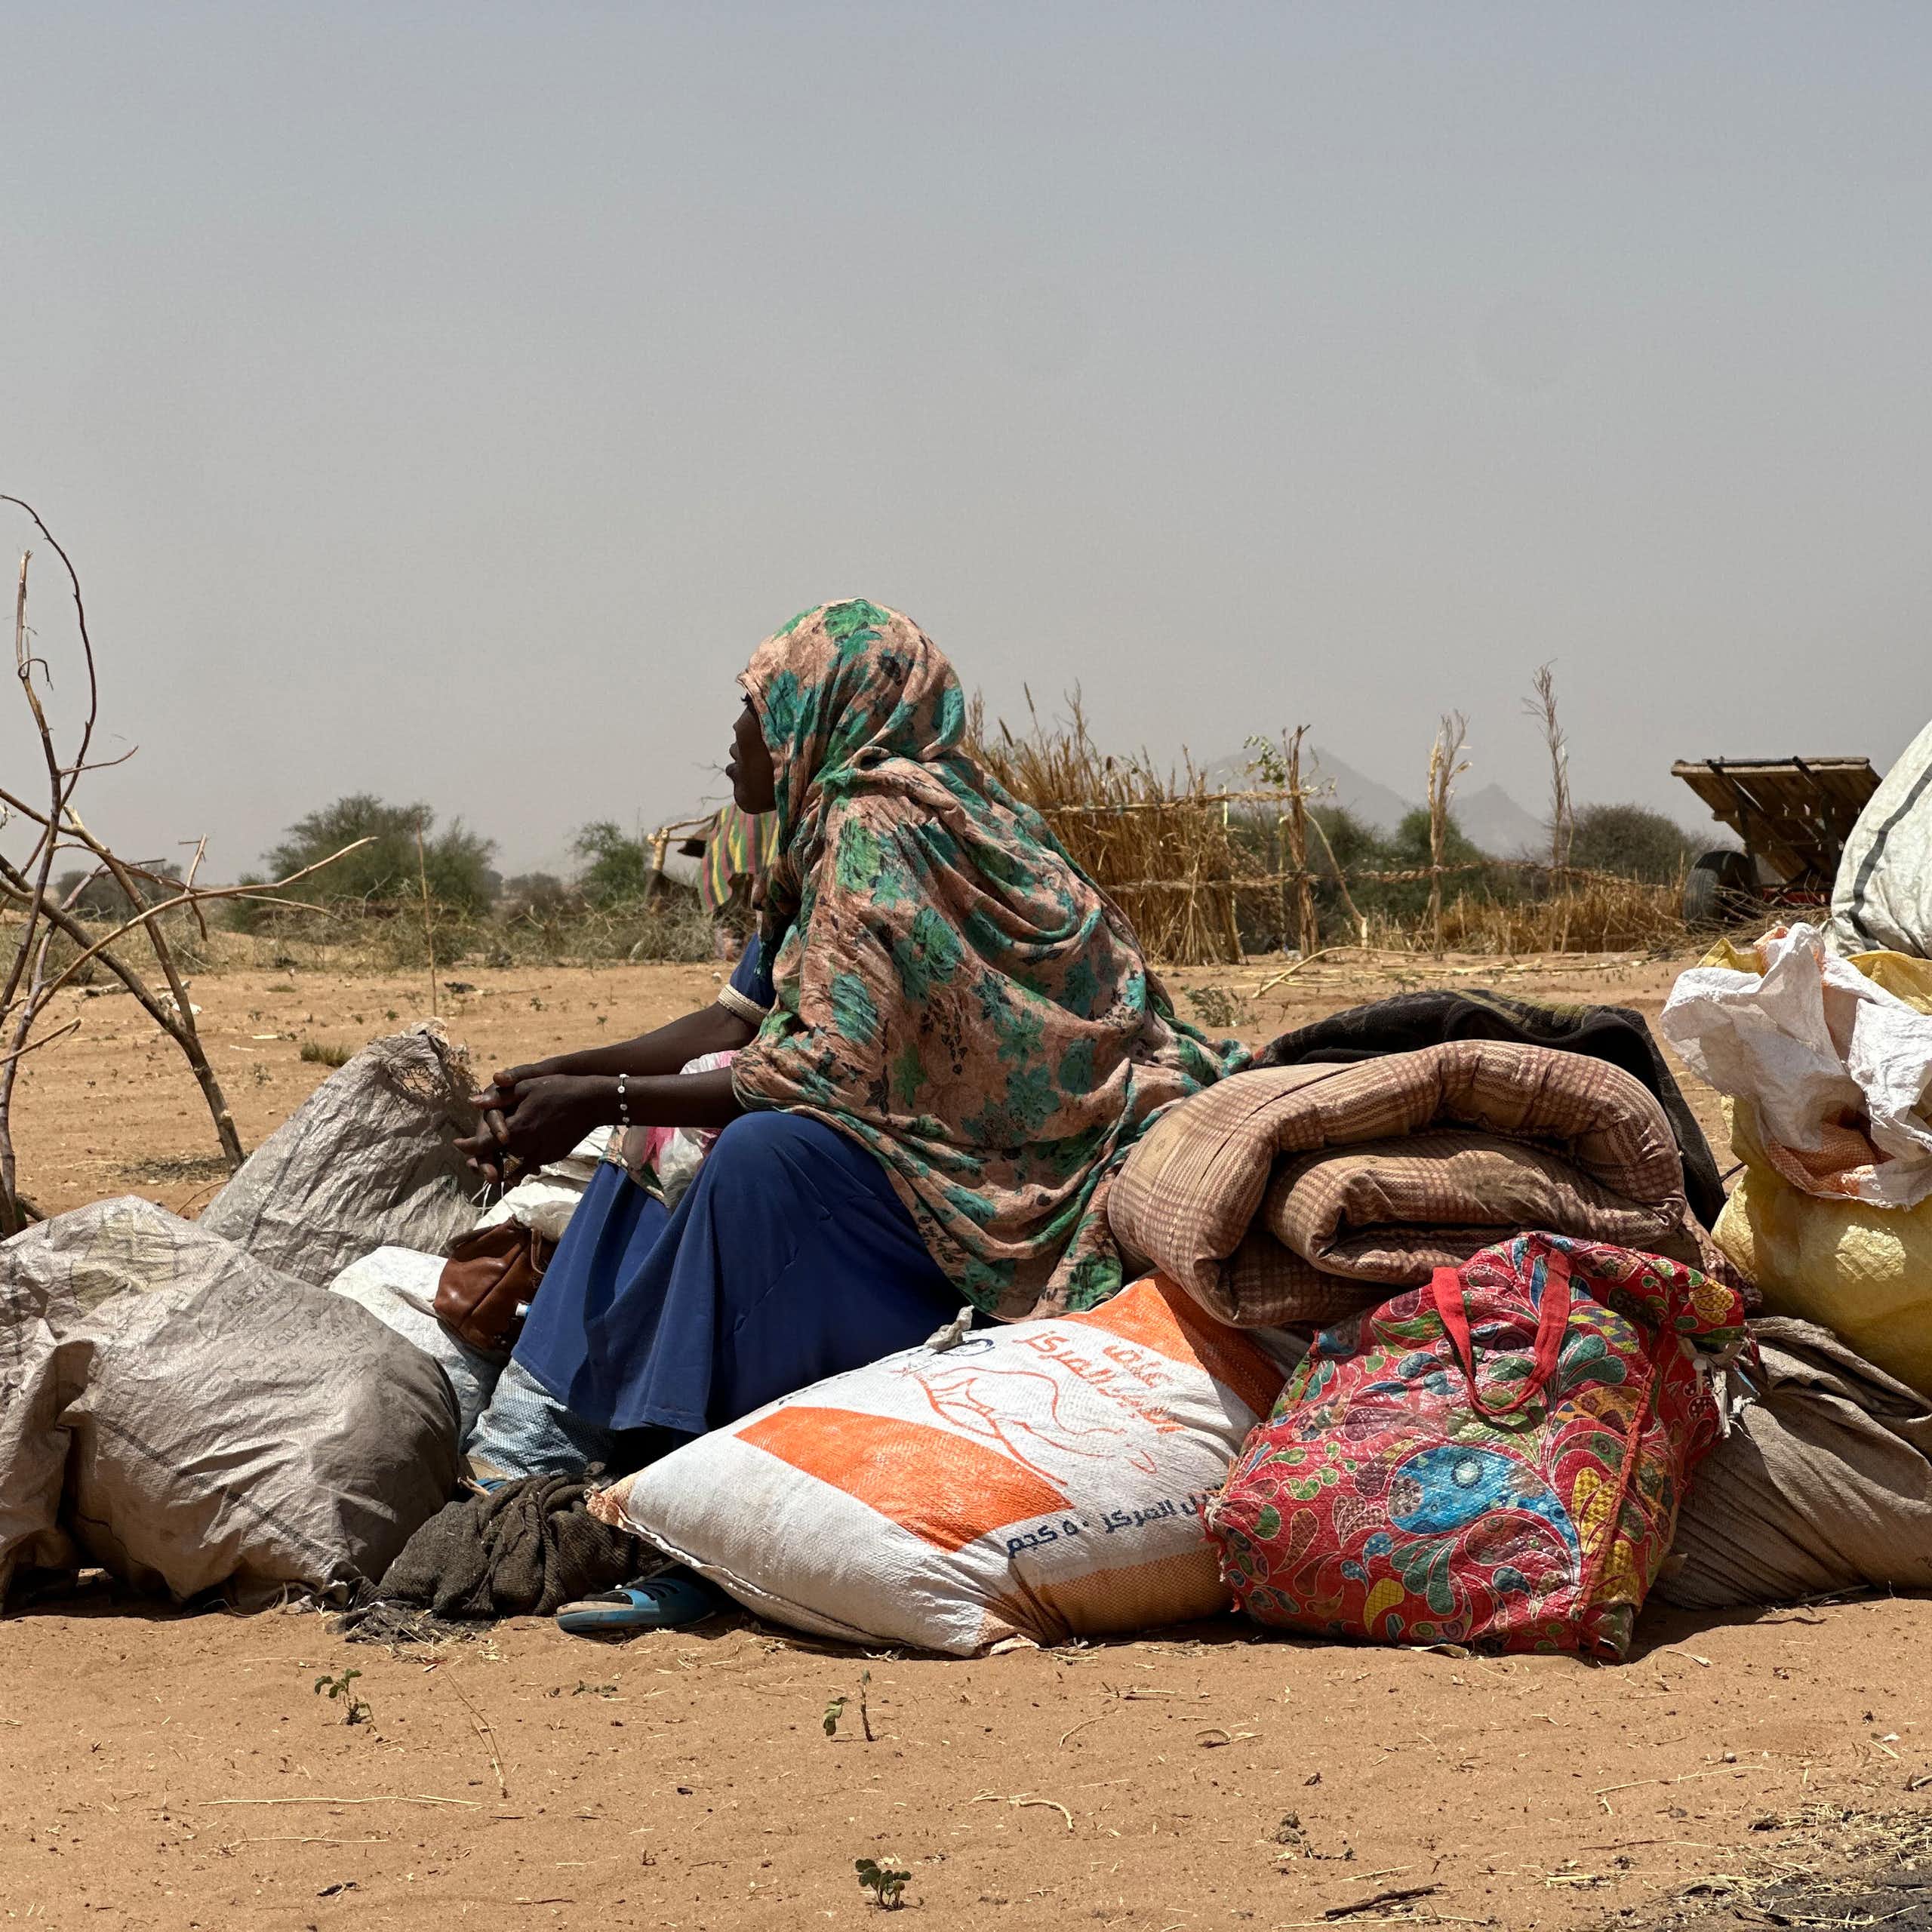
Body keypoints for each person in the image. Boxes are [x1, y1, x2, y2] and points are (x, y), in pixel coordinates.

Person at [459, 600, 1243, 1555]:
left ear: (815, 711)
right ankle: (539, 1430)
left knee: (757, 1152)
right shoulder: (823, 836)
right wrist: (559, 1076)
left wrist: (602, 1101)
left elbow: (815, 1068)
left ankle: (647, 1445)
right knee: (663, 1124)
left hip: (992, 1194)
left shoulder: (884, 829)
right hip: (907, 1165)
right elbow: (735, 1021)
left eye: (756, 705)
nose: (737, 735)